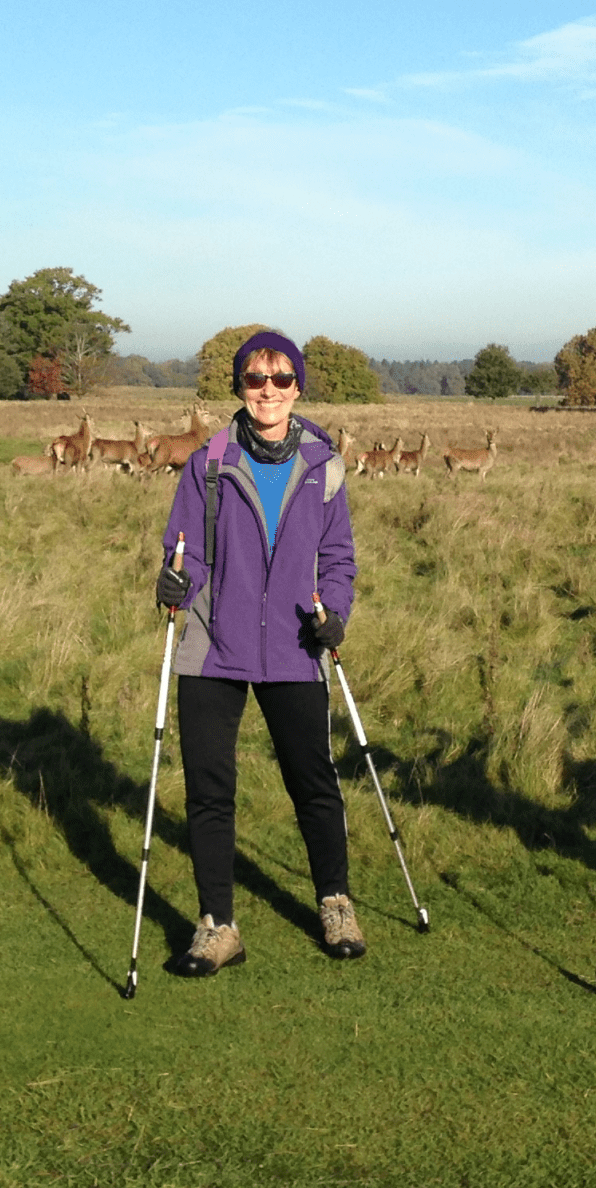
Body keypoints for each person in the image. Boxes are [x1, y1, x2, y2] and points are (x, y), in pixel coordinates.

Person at [154, 330, 362, 976]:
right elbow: (183, 551)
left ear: (298, 387)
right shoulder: (208, 463)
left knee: (314, 783)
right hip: (213, 645)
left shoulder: (324, 466)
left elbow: (339, 560)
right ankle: (218, 926)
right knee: (210, 792)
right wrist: (171, 580)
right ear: (240, 386)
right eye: (254, 379)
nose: (266, 392)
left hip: (297, 644)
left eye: (280, 380)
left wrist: (336, 613)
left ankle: (335, 903)